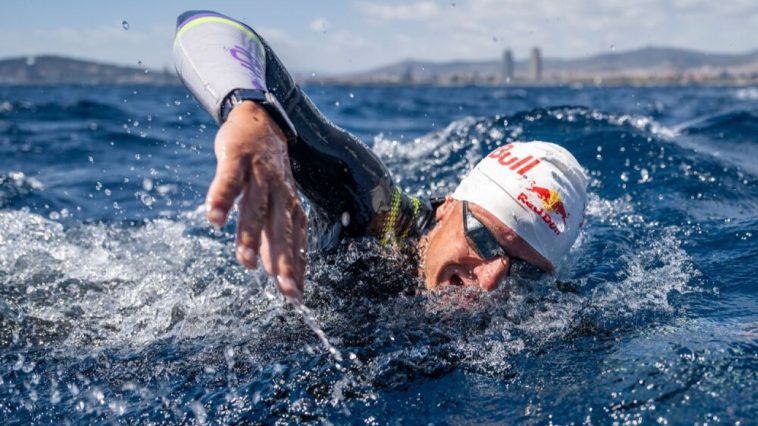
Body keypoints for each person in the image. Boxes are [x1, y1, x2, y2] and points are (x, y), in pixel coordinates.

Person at [173, 11, 588, 303]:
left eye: (525, 270)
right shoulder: (374, 208)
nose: (492, 280)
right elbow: (204, 26)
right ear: (447, 208)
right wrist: (250, 112)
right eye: (483, 237)